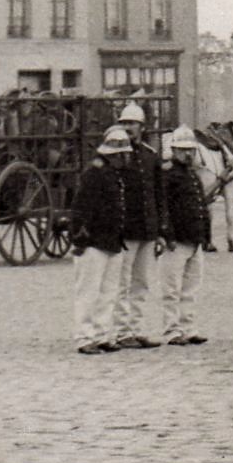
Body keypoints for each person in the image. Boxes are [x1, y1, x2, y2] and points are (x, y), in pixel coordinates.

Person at [70, 126, 134, 353]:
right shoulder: (94, 173)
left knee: (108, 292)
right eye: (124, 154)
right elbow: (81, 208)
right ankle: (84, 337)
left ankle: (102, 334)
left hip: (112, 241)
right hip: (94, 242)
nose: (127, 158)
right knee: (88, 293)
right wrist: (79, 239)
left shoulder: (112, 174)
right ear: (114, 155)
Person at [111, 101, 165, 348]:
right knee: (122, 282)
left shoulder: (150, 156)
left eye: (132, 123)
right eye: (124, 123)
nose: (128, 127)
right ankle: (123, 332)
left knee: (141, 282)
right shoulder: (117, 155)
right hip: (127, 228)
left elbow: (157, 194)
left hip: (147, 228)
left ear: (142, 127)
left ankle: (137, 328)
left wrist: (161, 230)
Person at [158, 126, 211, 344]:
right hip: (176, 240)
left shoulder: (192, 175)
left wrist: (205, 236)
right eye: (182, 150)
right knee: (171, 289)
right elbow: (163, 207)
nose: (187, 154)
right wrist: (167, 235)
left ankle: (188, 328)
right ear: (173, 150)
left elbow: (201, 207)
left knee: (190, 289)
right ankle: (172, 330)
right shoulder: (168, 175)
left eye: (190, 150)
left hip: (194, 239)